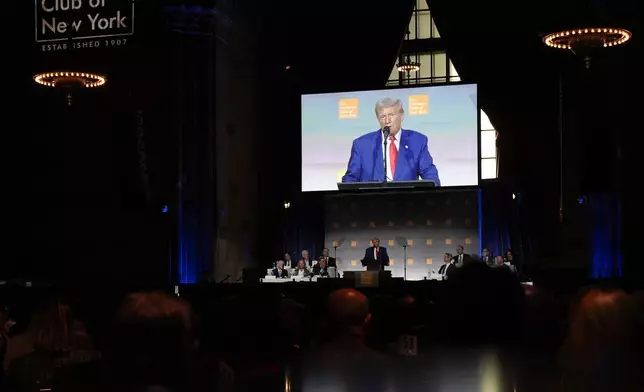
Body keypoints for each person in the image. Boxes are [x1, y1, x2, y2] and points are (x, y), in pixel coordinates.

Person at [341, 97, 440, 185]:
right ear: (378, 119)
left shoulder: (417, 141)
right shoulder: (362, 145)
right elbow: (350, 178)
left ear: (401, 115)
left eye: (391, 115)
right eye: (383, 116)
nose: (387, 121)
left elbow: (430, 175)